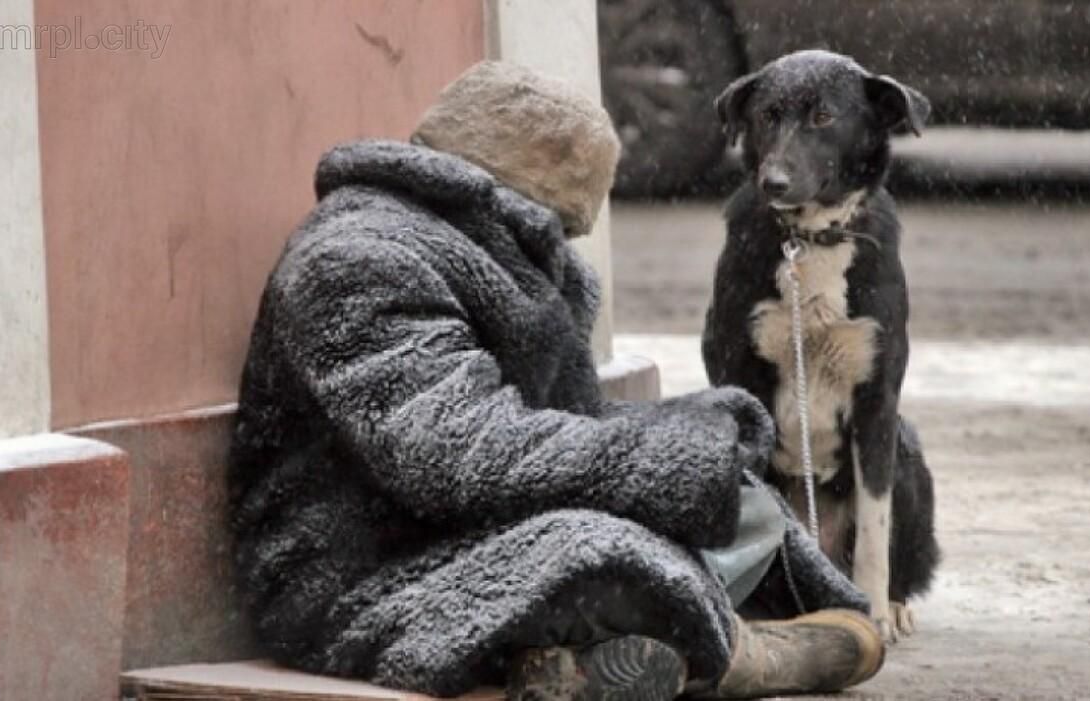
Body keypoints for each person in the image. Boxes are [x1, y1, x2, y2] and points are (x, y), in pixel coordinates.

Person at [227, 60, 884, 700]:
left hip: (469, 524)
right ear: (503, 199)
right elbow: (459, 452)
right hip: (358, 576)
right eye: (557, 229)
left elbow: (560, 426)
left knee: (736, 495)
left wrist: (688, 435)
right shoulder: (358, 261)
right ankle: (733, 655)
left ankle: (592, 658)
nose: (563, 250)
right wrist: (655, 462)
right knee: (598, 551)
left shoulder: (490, 257)